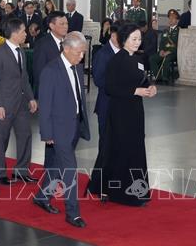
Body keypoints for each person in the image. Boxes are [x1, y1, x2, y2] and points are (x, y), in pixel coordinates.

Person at [88, 23, 156, 206]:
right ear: (124, 39)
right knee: (120, 149)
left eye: (139, 39)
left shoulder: (140, 59)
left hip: (135, 111)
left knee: (136, 148)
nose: (137, 42)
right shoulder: (116, 60)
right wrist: (135, 91)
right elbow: (110, 88)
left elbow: (144, 78)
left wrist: (150, 87)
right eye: (133, 39)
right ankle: (120, 192)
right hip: (120, 111)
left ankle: (138, 190)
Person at [33, 32, 91, 228]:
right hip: (58, 129)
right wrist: (47, 133)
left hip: (74, 125)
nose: (81, 56)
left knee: (57, 166)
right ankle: (72, 213)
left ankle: (42, 196)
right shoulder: (51, 70)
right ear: (66, 49)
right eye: (79, 52)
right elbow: (45, 105)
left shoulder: (76, 67)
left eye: (83, 53)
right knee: (70, 169)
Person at [0, 17, 38, 184]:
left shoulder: (21, 51)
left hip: (22, 103)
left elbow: (24, 78)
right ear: (15, 33)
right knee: (2, 138)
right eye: (23, 31)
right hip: (5, 103)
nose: (26, 34)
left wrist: (31, 98)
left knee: (25, 135)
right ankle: (0, 173)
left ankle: (21, 171)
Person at [92, 22, 120, 151]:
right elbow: (98, 80)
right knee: (106, 141)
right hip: (106, 104)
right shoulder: (103, 54)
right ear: (113, 36)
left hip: (120, 104)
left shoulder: (124, 52)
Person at [33, 11, 68, 95]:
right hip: (50, 92)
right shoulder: (42, 44)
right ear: (52, 26)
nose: (65, 27)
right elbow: (39, 73)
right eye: (62, 24)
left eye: (66, 23)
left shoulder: (68, 43)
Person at [149, 9, 179, 82]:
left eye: (173, 18)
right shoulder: (165, 30)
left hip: (173, 53)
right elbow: (162, 42)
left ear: (177, 20)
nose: (171, 20)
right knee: (152, 58)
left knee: (167, 59)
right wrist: (161, 50)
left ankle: (165, 78)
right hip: (164, 51)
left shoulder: (179, 31)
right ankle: (158, 77)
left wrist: (169, 51)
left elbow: (179, 45)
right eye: (170, 18)